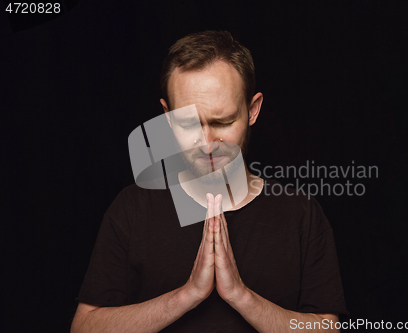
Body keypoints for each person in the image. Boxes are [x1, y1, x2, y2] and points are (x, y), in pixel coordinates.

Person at [71, 30, 348, 333]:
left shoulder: (301, 214)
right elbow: (84, 326)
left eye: (223, 122)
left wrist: (240, 296)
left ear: (252, 110)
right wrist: (188, 294)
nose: (206, 142)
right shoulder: (132, 208)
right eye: (188, 123)